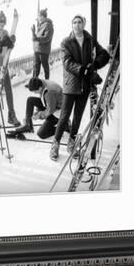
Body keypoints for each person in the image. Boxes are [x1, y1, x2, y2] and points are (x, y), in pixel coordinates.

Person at [49, 15, 110, 161]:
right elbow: (67, 63)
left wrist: (94, 66)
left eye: (79, 22)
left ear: (84, 24)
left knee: (77, 117)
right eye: (74, 22)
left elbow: (104, 54)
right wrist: (85, 70)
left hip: (85, 85)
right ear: (72, 25)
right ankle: (55, 145)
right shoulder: (66, 42)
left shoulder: (90, 39)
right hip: (71, 85)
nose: (76, 25)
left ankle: (71, 144)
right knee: (64, 116)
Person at [31, 8, 54, 79]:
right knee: (35, 67)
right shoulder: (41, 25)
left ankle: (47, 82)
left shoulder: (48, 25)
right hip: (37, 50)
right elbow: (36, 38)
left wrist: (36, 37)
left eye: (39, 16)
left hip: (43, 51)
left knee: (45, 67)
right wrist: (33, 33)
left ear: (43, 17)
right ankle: (34, 82)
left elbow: (46, 38)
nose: (38, 19)